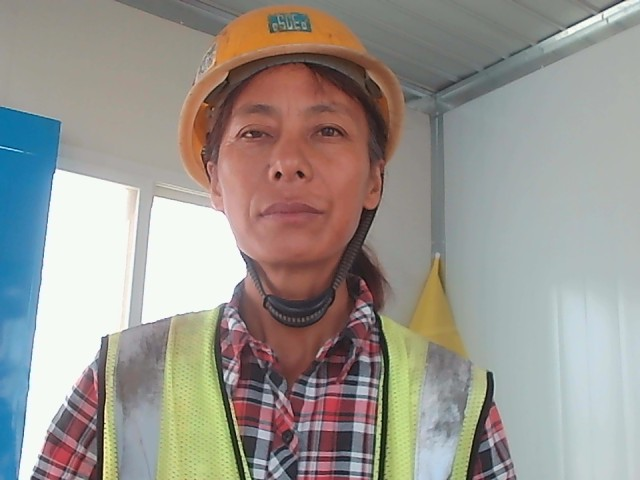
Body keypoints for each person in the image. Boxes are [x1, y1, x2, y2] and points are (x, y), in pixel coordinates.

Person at [33, 5, 516, 479]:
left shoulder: (455, 400)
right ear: (215, 182)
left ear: (375, 179)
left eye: (327, 130)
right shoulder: (121, 383)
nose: (288, 162)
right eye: (255, 132)